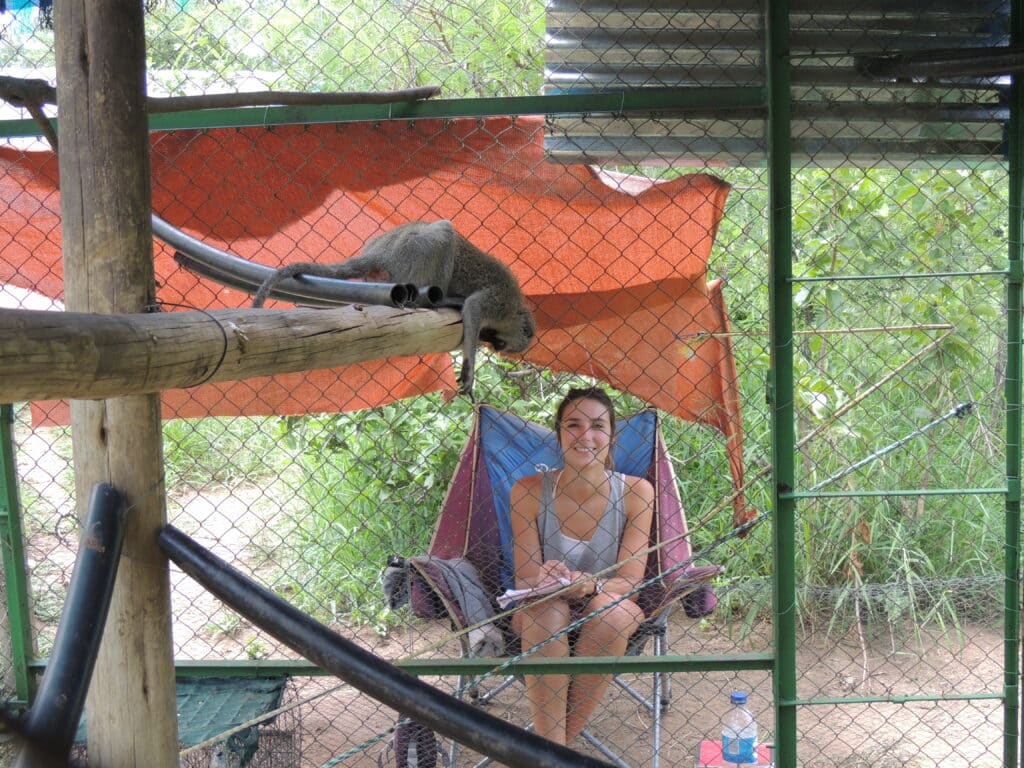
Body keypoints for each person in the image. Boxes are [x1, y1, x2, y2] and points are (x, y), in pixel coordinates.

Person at [509, 386, 655, 745]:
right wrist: (542, 578)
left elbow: (630, 582)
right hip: (542, 611)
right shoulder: (527, 491)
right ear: (559, 433)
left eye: (597, 426)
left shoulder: (637, 492)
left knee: (613, 613)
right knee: (546, 609)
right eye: (573, 424)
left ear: (611, 436)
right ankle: (556, 753)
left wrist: (590, 586)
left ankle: (552, 752)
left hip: (607, 606)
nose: (585, 436)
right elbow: (524, 580)